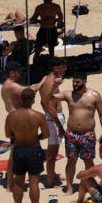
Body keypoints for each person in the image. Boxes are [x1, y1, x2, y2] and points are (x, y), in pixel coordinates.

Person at [51, 71, 102, 196]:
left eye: (78, 82)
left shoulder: (95, 95)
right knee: (71, 161)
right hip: (71, 134)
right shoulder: (68, 94)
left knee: (88, 162)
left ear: (85, 81)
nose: (75, 84)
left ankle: (92, 186)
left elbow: (101, 115)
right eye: (73, 82)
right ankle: (69, 188)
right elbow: (51, 98)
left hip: (88, 134)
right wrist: (54, 86)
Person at [5, 88, 49, 203]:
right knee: (34, 182)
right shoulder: (39, 116)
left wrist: (19, 136)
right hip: (34, 149)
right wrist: (36, 137)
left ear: (21, 99)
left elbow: (8, 135)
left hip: (18, 150)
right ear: (33, 100)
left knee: (18, 182)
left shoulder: (11, 116)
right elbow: (46, 134)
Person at [39, 56, 67, 188]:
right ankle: (50, 182)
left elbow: (42, 102)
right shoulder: (51, 84)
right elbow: (50, 108)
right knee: (52, 153)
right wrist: (60, 127)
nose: (65, 69)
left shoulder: (48, 80)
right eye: (63, 67)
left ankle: (52, 175)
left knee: (53, 152)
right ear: (56, 68)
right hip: (53, 119)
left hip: (51, 118)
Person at [30, 0, 63, 65]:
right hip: (43, 29)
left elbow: (61, 18)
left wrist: (53, 20)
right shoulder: (40, 7)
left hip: (52, 29)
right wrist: (41, 21)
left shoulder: (56, 7)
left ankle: (52, 67)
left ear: (51, 1)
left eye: (49, 3)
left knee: (51, 50)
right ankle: (34, 66)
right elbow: (32, 20)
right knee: (38, 49)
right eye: (46, 3)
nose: (48, 5)